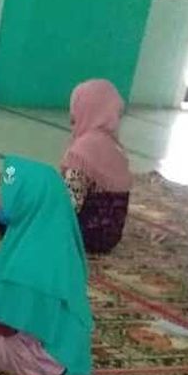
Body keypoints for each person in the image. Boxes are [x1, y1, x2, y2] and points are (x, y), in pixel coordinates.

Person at [0, 156, 94, 375]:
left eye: (11, 191)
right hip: (64, 348)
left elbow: (5, 324)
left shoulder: (32, 259)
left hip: (38, 357)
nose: (1, 196)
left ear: (29, 199)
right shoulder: (53, 232)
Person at [62, 78, 132, 253]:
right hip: (110, 238)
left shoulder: (82, 151)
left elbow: (70, 205)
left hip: (82, 235)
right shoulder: (118, 149)